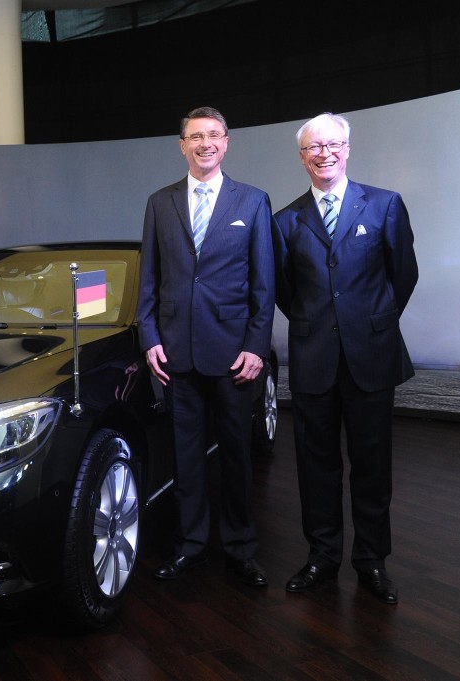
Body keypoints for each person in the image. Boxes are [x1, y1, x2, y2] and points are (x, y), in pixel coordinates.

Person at [271, 112, 418, 604]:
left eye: (333, 144)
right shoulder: (285, 221)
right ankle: (322, 557)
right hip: (313, 358)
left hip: (370, 357)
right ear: (302, 157)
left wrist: (370, 322)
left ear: (348, 149)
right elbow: (285, 291)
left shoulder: (384, 205)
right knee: (316, 465)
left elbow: (404, 275)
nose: (325, 154)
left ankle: (372, 561)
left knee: (372, 465)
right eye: (314, 147)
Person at [138, 106, 275, 586]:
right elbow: (149, 278)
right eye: (196, 136)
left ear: (226, 142)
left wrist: (257, 345)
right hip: (176, 355)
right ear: (182, 146)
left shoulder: (253, 201)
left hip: (234, 355)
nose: (205, 144)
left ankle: (241, 548)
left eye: (214, 135)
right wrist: (149, 336)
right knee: (186, 458)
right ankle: (191, 545)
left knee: (236, 456)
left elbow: (264, 283)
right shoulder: (160, 202)